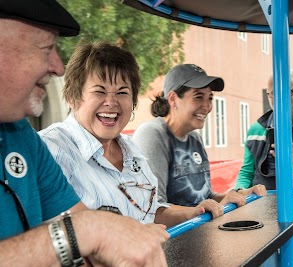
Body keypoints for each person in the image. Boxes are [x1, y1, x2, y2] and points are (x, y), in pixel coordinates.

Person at [0, 1, 168, 266]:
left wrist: (101, 231)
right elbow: (86, 231)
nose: (58, 67)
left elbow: (93, 230)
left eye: (122, 93)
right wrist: (88, 230)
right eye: (46, 48)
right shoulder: (53, 145)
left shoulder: (23, 137)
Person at [40, 40, 232, 226]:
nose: (111, 102)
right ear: (73, 97)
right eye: (100, 91)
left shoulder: (130, 149)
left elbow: (150, 211)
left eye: (122, 92)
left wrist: (193, 212)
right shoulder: (49, 150)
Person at [132, 64, 266, 210]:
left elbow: (206, 198)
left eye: (210, 98)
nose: (207, 106)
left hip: (201, 231)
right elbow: (152, 209)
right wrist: (197, 212)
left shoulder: (195, 138)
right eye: (198, 97)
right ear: (173, 99)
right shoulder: (152, 135)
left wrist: (241, 194)